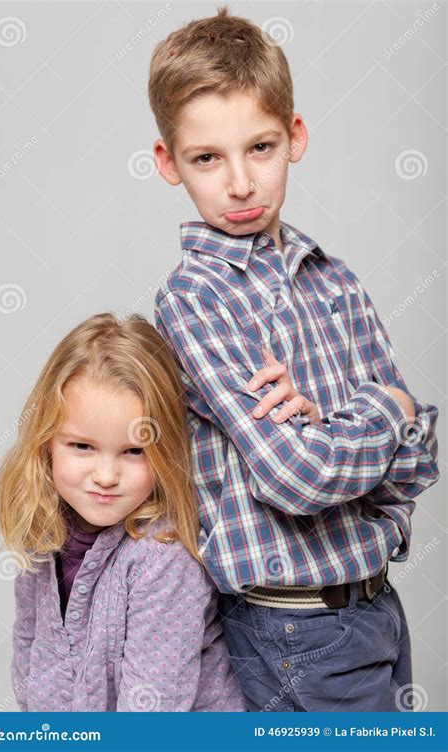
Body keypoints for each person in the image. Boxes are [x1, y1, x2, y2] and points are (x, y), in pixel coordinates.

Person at [148, 6, 440, 711]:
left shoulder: (334, 280)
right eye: (207, 158)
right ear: (167, 162)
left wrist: (337, 425)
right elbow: (296, 476)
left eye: (261, 147)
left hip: (375, 608)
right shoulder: (195, 299)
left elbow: (424, 457)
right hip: (290, 627)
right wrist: (385, 410)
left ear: (296, 136)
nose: (240, 183)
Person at [0, 312, 247, 712]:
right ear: (46, 441)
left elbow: (151, 711)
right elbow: (29, 654)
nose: (106, 475)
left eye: (134, 451)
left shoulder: (163, 557)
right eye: (82, 446)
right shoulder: (43, 532)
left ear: (166, 452)